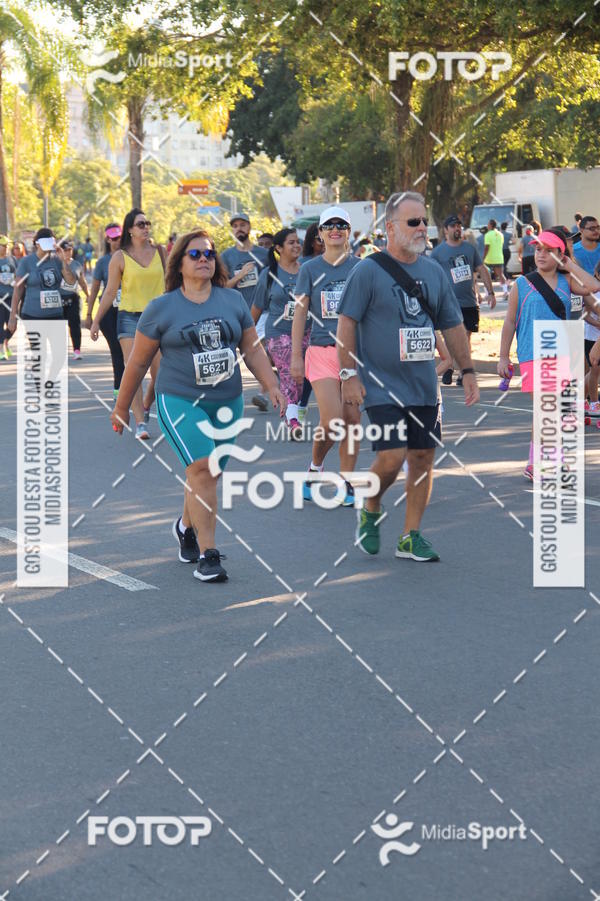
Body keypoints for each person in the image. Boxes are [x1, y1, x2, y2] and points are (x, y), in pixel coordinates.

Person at [111, 229, 284, 583]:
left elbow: (251, 349)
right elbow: (139, 363)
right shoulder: (162, 307)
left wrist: (272, 385)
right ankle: (209, 555)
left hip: (227, 402)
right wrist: (121, 406)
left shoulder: (232, 302)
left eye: (209, 254)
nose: (204, 259)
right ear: (179, 263)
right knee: (203, 469)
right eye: (195, 255)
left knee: (207, 474)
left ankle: (184, 526)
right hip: (179, 399)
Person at [337, 191, 478, 561]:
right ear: (390, 228)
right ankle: (371, 504)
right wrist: (348, 373)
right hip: (381, 385)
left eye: (423, 221)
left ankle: (410, 536)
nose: (421, 228)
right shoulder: (367, 270)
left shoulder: (433, 271)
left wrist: (468, 371)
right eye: (413, 222)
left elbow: (452, 324)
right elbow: (346, 322)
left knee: (422, 458)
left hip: (423, 386)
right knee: (392, 456)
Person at [498, 230, 600, 479]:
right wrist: (503, 356)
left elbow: (594, 286)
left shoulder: (568, 282)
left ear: (559, 255)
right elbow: (510, 322)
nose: (541, 254)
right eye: (538, 249)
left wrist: (568, 264)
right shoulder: (521, 284)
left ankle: (539, 462)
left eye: (548, 250)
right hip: (533, 353)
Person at [291, 206, 360, 507]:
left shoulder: (362, 268)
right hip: (320, 351)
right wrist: (296, 355)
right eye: (329, 225)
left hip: (355, 355)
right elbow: (300, 314)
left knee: (352, 421)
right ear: (319, 233)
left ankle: (346, 483)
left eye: (341, 225)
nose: (335, 229)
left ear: (348, 231)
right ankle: (315, 469)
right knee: (333, 421)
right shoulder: (309, 269)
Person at [90, 209, 166, 440]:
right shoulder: (120, 257)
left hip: (159, 318)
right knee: (133, 370)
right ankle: (141, 423)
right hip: (130, 318)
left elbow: (172, 283)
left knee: (160, 373)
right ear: (130, 230)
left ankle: (145, 404)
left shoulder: (161, 252)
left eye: (147, 223)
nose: (145, 227)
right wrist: (95, 321)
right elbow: (111, 291)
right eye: (140, 224)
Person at [251, 228, 308, 438]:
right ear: (278, 248)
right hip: (278, 333)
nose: (296, 246)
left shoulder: (307, 270)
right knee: (290, 373)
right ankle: (292, 420)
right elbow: (256, 308)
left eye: (297, 242)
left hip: (307, 333)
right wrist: (246, 339)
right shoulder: (269, 275)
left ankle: (294, 410)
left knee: (303, 379)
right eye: (291, 243)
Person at [432, 215, 495, 386]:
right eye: (453, 226)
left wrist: (490, 292)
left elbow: (481, 269)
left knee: (466, 338)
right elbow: (430, 275)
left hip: (469, 302)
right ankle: (450, 366)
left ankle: (461, 372)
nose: (457, 228)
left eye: (459, 225)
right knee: (451, 338)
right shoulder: (438, 253)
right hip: (449, 303)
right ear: (446, 230)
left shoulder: (469, 249)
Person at [220, 212, 269, 411]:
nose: (239, 228)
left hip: (263, 310)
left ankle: (263, 392)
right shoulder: (226, 256)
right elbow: (222, 286)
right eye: (235, 226)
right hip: (237, 311)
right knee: (245, 355)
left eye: (242, 225)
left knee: (260, 348)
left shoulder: (263, 255)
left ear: (249, 228)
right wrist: (240, 275)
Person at [8, 228, 76, 335]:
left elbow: (71, 281)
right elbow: (18, 290)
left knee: (59, 351)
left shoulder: (57, 260)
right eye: (45, 242)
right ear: (37, 244)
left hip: (56, 315)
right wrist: (13, 317)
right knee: (39, 352)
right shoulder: (27, 262)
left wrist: (63, 261)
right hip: (33, 316)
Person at [84, 224, 125, 396]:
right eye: (113, 238)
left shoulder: (131, 257)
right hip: (109, 312)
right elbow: (94, 290)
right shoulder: (102, 262)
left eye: (119, 238)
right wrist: (90, 315)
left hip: (128, 311)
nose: (116, 241)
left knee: (131, 353)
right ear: (108, 240)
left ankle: (128, 388)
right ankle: (119, 389)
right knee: (116, 350)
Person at [60, 241, 89, 360]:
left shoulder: (76, 264)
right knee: (59, 326)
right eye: (65, 250)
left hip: (73, 297)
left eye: (69, 249)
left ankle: (77, 350)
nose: (67, 252)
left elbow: (82, 280)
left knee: (75, 324)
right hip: (59, 299)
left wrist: (88, 294)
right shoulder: (55, 263)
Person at [0, 235, 16, 360]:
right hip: (0, 297)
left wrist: (15, 280)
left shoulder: (12, 259)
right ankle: (1, 349)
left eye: (7, 246)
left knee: (12, 325)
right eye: (4, 246)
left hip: (11, 296)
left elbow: (18, 274)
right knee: (0, 323)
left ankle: (5, 342)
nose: (6, 248)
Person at [483, 219, 508, 295]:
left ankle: (487, 293)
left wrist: (483, 257)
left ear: (490, 225)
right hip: (499, 258)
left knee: (486, 276)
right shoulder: (500, 234)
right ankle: (505, 291)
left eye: (488, 224)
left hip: (489, 259)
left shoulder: (487, 235)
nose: (487, 226)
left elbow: (487, 247)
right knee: (501, 275)